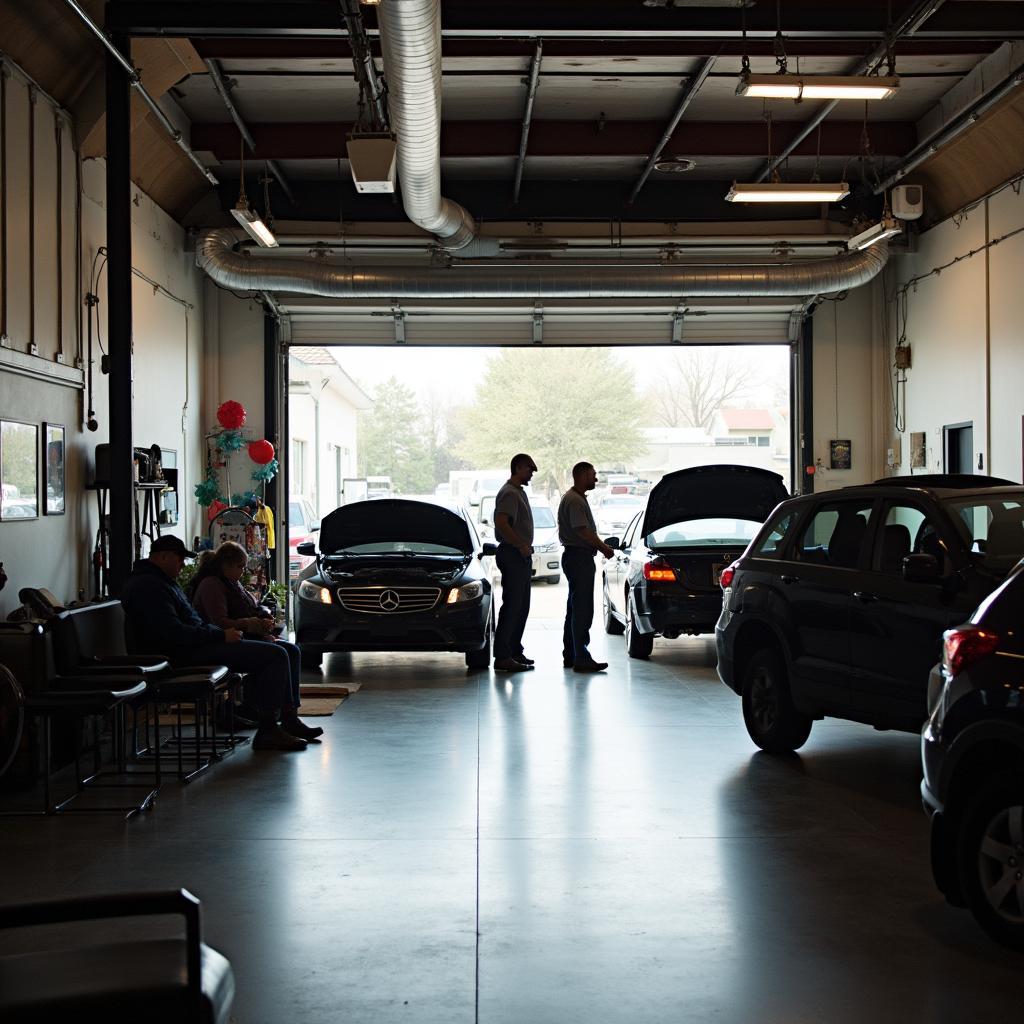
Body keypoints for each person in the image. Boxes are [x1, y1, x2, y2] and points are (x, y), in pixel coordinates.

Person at [120, 534, 315, 751]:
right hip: (178, 657)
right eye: (179, 559)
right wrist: (221, 635)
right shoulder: (150, 588)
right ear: (163, 557)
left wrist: (222, 633)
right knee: (276, 655)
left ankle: (288, 719)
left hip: (194, 646)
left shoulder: (161, 583)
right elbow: (173, 633)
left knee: (286, 650)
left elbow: (192, 624)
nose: (183, 565)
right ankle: (268, 729)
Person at [189, 541, 322, 740]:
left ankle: (289, 716)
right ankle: (268, 724)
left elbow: (250, 607)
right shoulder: (212, 585)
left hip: (237, 637)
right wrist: (250, 624)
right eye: (240, 566)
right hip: (221, 642)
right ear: (225, 565)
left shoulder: (230, 583)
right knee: (278, 654)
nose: (243, 571)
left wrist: (261, 626)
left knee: (292, 651)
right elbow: (219, 622)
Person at [557, 462, 615, 673]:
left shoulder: (574, 498)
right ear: (581, 475)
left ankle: (571, 655)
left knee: (574, 608)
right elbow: (582, 530)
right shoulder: (575, 500)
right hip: (579, 557)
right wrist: (604, 548)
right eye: (593, 474)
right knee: (582, 609)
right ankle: (581, 656)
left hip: (575, 556)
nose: (596, 479)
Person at [492, 454, 537, 672]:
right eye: (529, 469)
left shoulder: (518, 492)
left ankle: (514, 650)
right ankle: (503, 655)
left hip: (520, 554)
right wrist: (520, 544)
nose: (531, 473)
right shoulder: (509, 493)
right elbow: (501, 523)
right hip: (512, 554)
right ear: (518, 468)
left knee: (521, 606)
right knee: (512, 606)